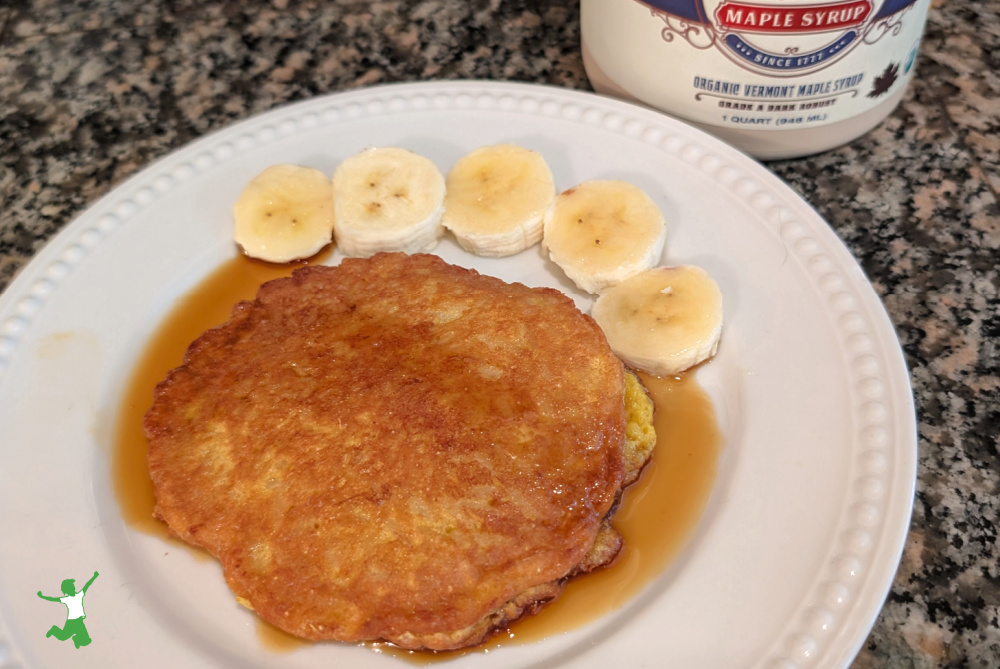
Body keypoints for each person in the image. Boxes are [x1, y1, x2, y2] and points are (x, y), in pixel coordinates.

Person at [37, 571, 99, 648]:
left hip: (79, 622)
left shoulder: (79, 595)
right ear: (67, 589)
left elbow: (87, 585)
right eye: (71, 586)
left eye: (73, 586)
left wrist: (94, 576)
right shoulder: (66, 599)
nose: (73, 587)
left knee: (87, 641)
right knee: (63, 637)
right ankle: (54, 630)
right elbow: (53, 599)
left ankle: (76, 639)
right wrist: (42, 596)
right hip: (71, 622)